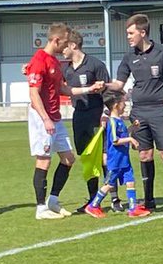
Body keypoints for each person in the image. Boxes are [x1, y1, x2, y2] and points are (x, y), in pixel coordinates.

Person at [108, 13, 163, 212]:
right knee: (144, 154)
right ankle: (149, 199)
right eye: (127, 33)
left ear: (143, 32)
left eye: (131, 33)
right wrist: (103, 85)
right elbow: (119, 84)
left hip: (160, 110)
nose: (128, 37)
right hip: (139, 112)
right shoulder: (129, 57)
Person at [25, 22, 76, 220]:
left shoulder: (54, 62)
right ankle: (40, 208)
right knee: (43, 160)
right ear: (56, 40)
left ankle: (53, 201)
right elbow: (33, 93)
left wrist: (89, 89)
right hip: (42, 118)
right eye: (65, 42)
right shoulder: (39, 60)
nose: (67, 46)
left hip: (55, 117)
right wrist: (45, 118)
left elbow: (63, 89)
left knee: (68, 158)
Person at [61, 31, 110, 212]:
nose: (61, 50)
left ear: (73, 45)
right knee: (88, 158)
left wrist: (106, 112)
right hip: (79, 116)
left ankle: (113, 198)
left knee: (104, 158)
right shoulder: (65, 69)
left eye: (64, 46)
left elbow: (109, 92)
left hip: (97, 114)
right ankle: (92, 200)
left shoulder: (96, 65)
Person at [83, 91, 151, 218]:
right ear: (116, 105)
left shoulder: (119, 121)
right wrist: (131, 139)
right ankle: (93, 206)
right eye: (123, 102)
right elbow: (115, 140)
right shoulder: (112, 122)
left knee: (130, 181)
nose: (125, 105)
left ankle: (132, 208)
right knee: (109, 184)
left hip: (124, 159)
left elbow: (123, 133)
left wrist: (132, 128)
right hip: (116, 160)